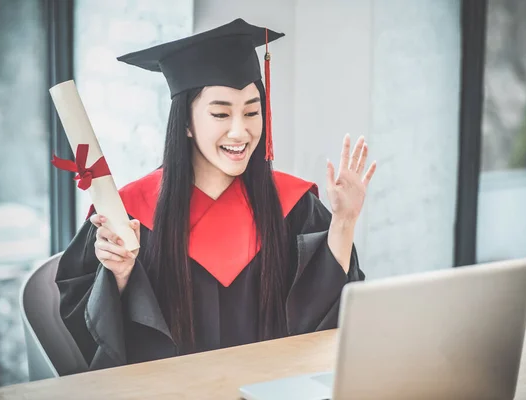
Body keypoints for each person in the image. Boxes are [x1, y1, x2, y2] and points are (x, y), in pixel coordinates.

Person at [55, 18, 376, 371]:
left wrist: (344, 223)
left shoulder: (295, 206)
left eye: (252, 112)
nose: (240, 131)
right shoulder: (128, 214)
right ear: (187, 123)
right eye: (221, 113)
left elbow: (328, 321)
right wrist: (118, 274)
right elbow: (94, 329)